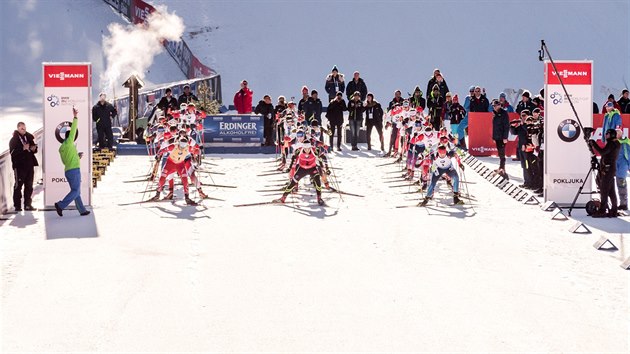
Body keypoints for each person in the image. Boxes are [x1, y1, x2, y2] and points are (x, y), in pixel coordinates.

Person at [54, 107, 90, 217]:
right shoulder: (69, 142)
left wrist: (77, 156)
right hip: (74, 170)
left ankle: (82, 210)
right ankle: (60, 205)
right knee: (75, 191)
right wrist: (75, 117)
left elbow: (65, 161)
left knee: (76, 191)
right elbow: (73, 129)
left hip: (68, 170)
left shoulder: (62, 148)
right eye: (72, 137)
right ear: (69, 137)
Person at [272, 141, 325, 206]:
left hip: (312, 168)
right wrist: (290, 167)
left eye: (308, 148)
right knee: (292, 183)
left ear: (310, 147)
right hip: (302, 169)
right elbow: (293, 158)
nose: (307, 150)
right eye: (305, 148)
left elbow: (322, 157)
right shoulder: (299, 150)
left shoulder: (315, 150)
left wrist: (322, 165)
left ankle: (319, 198)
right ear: (303, 147)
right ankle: (283, 198)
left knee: (318, 181)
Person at [589, 129, 621, 217]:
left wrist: (593, 143)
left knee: (604, 190)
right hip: (611, 168)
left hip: (608, 169)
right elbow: (607, 154)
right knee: (611, 191)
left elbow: (602, 152)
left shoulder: (612, 143)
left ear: (612, 135)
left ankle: (602, 210)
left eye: (608, 134)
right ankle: (614, 210)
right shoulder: (617, 143)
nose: (606, 135)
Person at [9, 122, 38, 211]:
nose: (24, 130)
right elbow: (12, 153)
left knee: (29, 185)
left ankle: (27, 204)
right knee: (18, 186)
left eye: (25, 128)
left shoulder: (29, 137)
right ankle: (17, 205)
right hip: (19, 166)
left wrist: (34, 148)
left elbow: (34, 148)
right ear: (18, 128)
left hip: (29, 164)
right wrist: (22, 148)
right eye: (22, 129)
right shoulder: (14, 140)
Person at [491, 99, 509, 178]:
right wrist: (494, 137)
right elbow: (495, 127)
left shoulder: (503, 113)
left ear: (499, 105)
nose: (494, 107)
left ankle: (502, 169)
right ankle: (501, 167)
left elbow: (506, 126)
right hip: (497, 136)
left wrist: (505, 137)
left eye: (495, 106)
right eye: (493, 106)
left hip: (502, 137)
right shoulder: (495, 114)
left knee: (502, 153)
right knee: (500, 153)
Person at [615, 129, 629, 210]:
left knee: (622, 185)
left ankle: (624, 204)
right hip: (617, 168)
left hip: (621, 168)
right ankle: (621, 203)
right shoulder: (615, 143)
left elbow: (628, 156)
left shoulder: (624, 143)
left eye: (617, 133)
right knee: (619, 185)